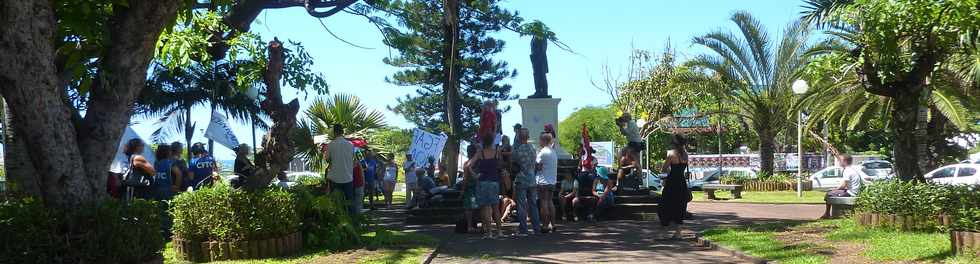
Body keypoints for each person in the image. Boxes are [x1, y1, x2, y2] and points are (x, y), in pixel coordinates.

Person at [470, 134, 505, 239]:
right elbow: (501, 165)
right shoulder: (496, 153)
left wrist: (475, 175)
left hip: (483, 182)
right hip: (494, 181)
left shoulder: (480, 153)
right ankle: (499, 231)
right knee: (496, 208)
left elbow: (468, 165)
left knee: (485, 208)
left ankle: (489, 232)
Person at [658, 134, 691, 239]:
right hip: (681, 183)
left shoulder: (672, 154)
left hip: (672, 183)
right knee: (680, 206)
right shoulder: (685, 155)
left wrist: (666, 173)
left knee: (665, 205)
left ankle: (663, 233)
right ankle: (678, 233)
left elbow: (664, 168)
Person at [512, 128, 541, 236]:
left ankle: (523, 229)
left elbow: (513, 163)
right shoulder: (533, 149)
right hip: (532, 179)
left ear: (519, 137)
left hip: (521, 179)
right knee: (533, 204)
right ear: (528, 137)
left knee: (521, 205)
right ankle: (536, 228)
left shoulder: (517, 150)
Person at [324, 124, 356, 216]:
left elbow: (327, 159)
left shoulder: (330, 145)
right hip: (348, 178)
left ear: (334, 132)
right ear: (342, 132)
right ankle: (353, 224)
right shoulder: (350, 145)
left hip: (335, 178)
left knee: (336, 204)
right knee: (350, 203)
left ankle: (338, 224)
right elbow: (352, 158)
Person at [822, 154, 864, 219]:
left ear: (845, 161)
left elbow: (843, 185)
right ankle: (827, 213)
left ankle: (827, 213)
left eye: (840, 160)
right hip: (853, 191)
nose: (839, 162)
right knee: (832, 192)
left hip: (851, 193)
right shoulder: (850, 169)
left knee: (829, 194)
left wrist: (835, 190)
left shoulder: (847, 171)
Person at [536, 133, 558, 233]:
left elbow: (538, 166)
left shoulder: (542, 152)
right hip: (552, 181)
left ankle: (545, 225)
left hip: (543, 181)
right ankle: (553, 224)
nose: (539, 142)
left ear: (544, 141)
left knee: (543, 203)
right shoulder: (553, 152)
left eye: (540, 140)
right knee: (550, 202)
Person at [460, 144, 481, 233]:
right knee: (477, 207)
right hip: (477, 188)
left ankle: (470, 226)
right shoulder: (479, 163)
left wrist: (462, 190)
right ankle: (474, 225)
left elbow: (465, 179)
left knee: (469, 208)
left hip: (470, 189)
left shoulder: (467, 164)